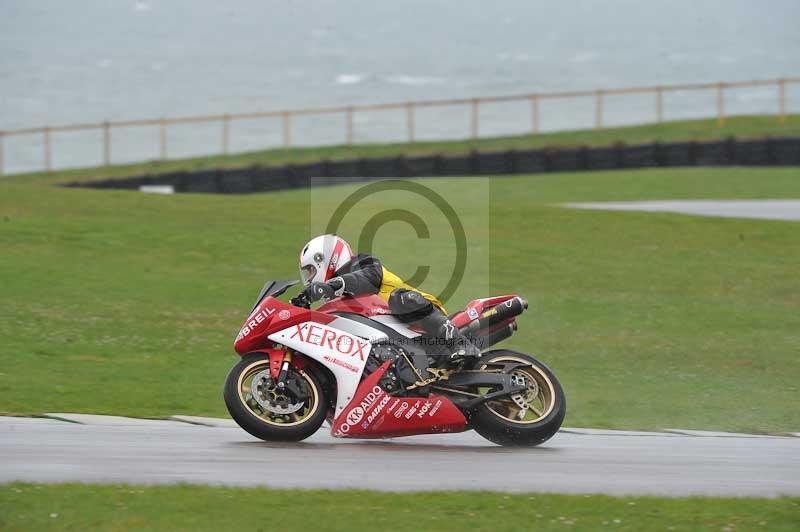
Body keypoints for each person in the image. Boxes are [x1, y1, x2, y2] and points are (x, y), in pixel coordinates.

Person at [298, 234, 480, 365]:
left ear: (324, 259)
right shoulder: (338, 301)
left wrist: (332, 285)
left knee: (399, 298)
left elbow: (369, 277)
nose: (310, 278)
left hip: (419, 316)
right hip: (400, 338)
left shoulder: (360, 264)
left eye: (311, 271)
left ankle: (460, 343)